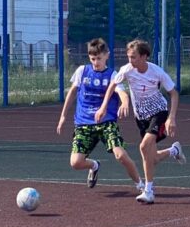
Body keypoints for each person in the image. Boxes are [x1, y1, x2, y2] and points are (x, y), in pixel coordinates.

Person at [95, 39, 185, 204]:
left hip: (159, 113)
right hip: (141, 118)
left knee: (143, 147)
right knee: (152, 158)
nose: (130, 60)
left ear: (144, 56)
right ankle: (174, 150)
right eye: (129, 57)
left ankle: (148, 191)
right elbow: (112, 86)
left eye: (134, 57)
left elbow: (174, 93)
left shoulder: (157, 72)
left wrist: (171, 118)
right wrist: (103, 107)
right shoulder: (127, 70)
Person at [57, 38, 142, 190]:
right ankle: (94, 165)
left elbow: (122, 92)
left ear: (107, 55)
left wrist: (124, 103)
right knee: (75, 163)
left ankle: (142, 186)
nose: (96, 62)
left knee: (121, 155)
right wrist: (63, 116)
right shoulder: (82, 71)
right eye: (93, 59)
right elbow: (72, 92)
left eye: (99, 58)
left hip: (106, 122)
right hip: (84, 123)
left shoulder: (112, 74)